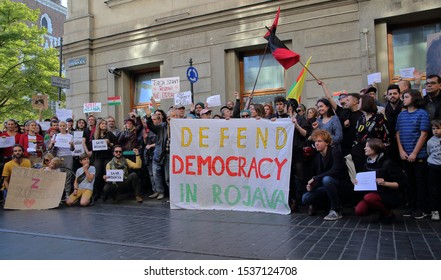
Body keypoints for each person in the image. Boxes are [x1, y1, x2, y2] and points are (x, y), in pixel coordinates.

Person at [302, 130, 352, 221]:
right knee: (305, 198)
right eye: (315, 141)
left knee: (327, 179)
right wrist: (312, 186)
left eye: (319, 141)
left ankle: (336, 210)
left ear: (327, 143)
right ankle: (327, 205)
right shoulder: (318, 157)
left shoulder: (335, 152)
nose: (316, 144)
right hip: (326, 186)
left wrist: (315, 178)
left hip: (341, 185)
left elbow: (336, 170)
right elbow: (318, 175)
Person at [396, 89, 430, 219]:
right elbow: (398, 133)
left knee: (420, 182)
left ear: (414, 98)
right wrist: (401, 150)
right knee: (409, 182)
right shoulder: (401, 115)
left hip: (418, 155)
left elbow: (424, 134)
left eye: (406, 97)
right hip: (405, 154)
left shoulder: (422, 114)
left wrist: (415, 153)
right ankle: (411, 205)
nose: (403, 99)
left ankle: (420, 208)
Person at [354, 138, 405, 223]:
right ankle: (379, 210)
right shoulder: (367, 162)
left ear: (375, 148)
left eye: (367, 146)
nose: (364, 148)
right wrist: (358, 182)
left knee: (369, 198)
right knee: (359, 210)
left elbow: (400, 183)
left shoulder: (387, 163)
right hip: (373, 194)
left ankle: (387, 213)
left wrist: (384, 183)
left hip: (389, 194)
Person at [351, 95, 389, 172]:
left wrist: (381, 147)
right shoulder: (360, 119)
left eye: (359, 102)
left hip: (375, 150)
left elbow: (385, 134)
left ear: (365, 103)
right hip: (360, 151)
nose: (357, 104)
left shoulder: (378, 117)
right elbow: (357, 134)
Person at [145, 108, 177, 200]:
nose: (175, 118)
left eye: (176, 116)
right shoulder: (162, 127)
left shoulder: (180, 127)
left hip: (170, 155)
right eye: (173, 116)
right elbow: (151, 126)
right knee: (156, 174)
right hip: (159, 154)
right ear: (168, 119)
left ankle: (173, 196)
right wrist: (148, 117)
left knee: (168, 178)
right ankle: (160, 192)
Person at [91, 119, 117, 200]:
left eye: (105, 123)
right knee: (98, 175)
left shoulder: (109, 134)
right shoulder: (95, 135)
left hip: (107, 157)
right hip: (98, 157)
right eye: (102, 123)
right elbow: (91, 146)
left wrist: (109, 143)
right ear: (99, 125)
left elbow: (115, 144)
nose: (104, 125)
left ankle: (108, 193)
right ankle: (97, 193)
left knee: (108, 174)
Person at [426, 119, 441, 221]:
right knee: (434, 189)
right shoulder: (430, 141)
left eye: (438, 128)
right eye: (433, 129)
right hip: (433, 166)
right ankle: (435, 211)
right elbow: (429, 152)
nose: (435, 130)